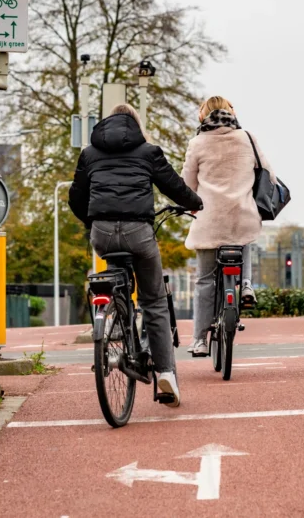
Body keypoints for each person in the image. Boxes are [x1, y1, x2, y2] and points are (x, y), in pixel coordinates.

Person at [68, 103, 202, 407]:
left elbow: (75, 198)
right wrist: (196, 202)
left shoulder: (89, 153)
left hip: (101, 234)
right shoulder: (148, 151)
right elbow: (174, 187)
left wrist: (93, 222)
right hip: (138, 233)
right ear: (136, 126)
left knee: (117, 280)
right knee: (154, 301)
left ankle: (117, 318)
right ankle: (165, 374)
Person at [181, 96, 276, 357]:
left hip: (209, 222)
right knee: (243, 236)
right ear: (232, 113)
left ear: (202, 117)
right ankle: (245, 283)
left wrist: (190, 204)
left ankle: (199, 340)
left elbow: (187, 185)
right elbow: (269, 174)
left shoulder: (197, 143)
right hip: (243, 216)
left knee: (203, 281)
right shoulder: (247, 138)